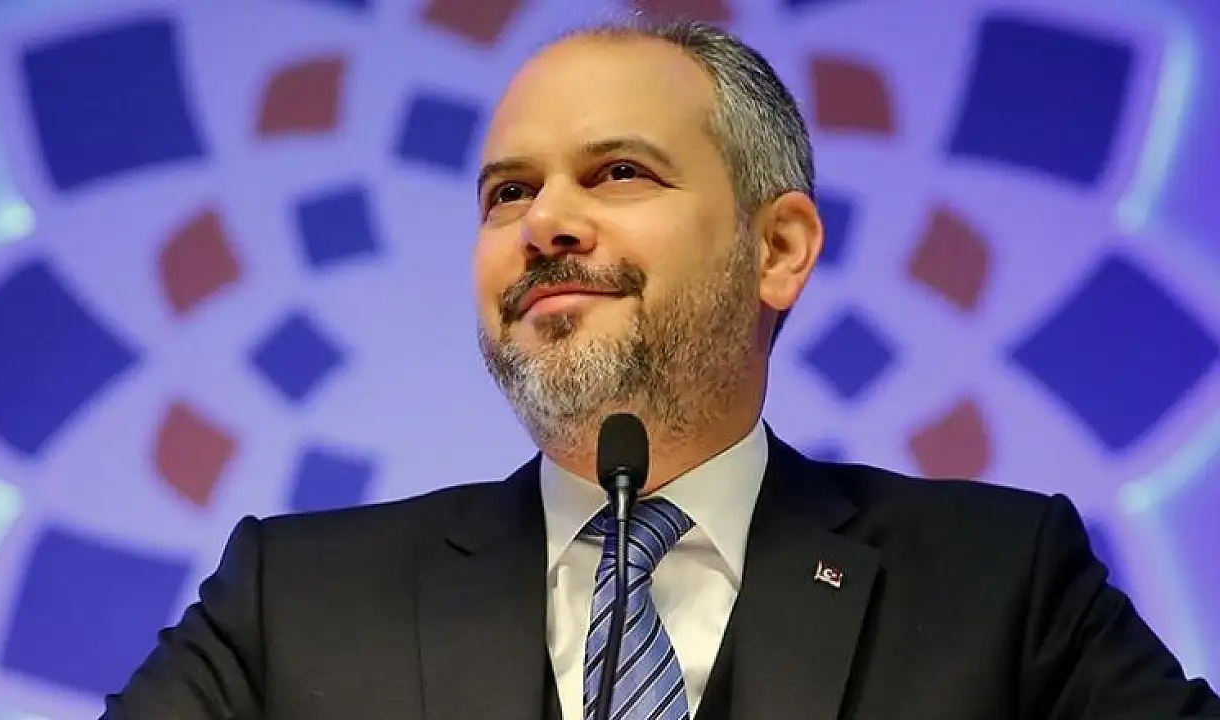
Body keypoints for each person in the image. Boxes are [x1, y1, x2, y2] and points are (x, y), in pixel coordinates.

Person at [102, 18, 1220, 720]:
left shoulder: (1000, 585)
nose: (544, 223)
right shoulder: (292, 602)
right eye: (507, 192)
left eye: (618, 173)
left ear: (778, 249)